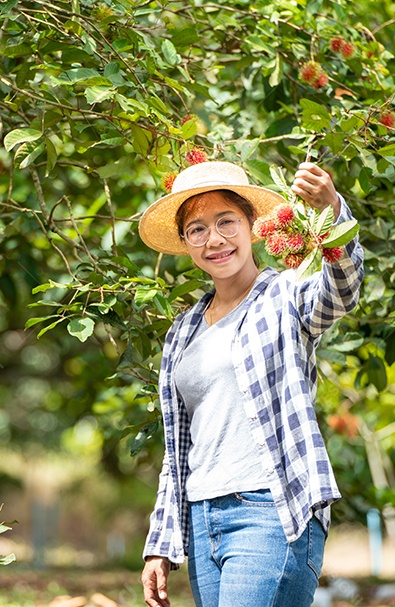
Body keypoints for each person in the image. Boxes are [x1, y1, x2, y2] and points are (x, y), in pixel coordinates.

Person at [136, 160, 364, 607]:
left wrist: (332, 210)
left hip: (270, 509)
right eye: (197, 229)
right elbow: (178, 447)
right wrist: (160, 543)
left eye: (227, 222)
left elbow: (343, 289)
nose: (215, 239)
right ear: (185, 243)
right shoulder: (181, 332)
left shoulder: (285, 295)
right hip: (202, 522)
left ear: (253, 227)